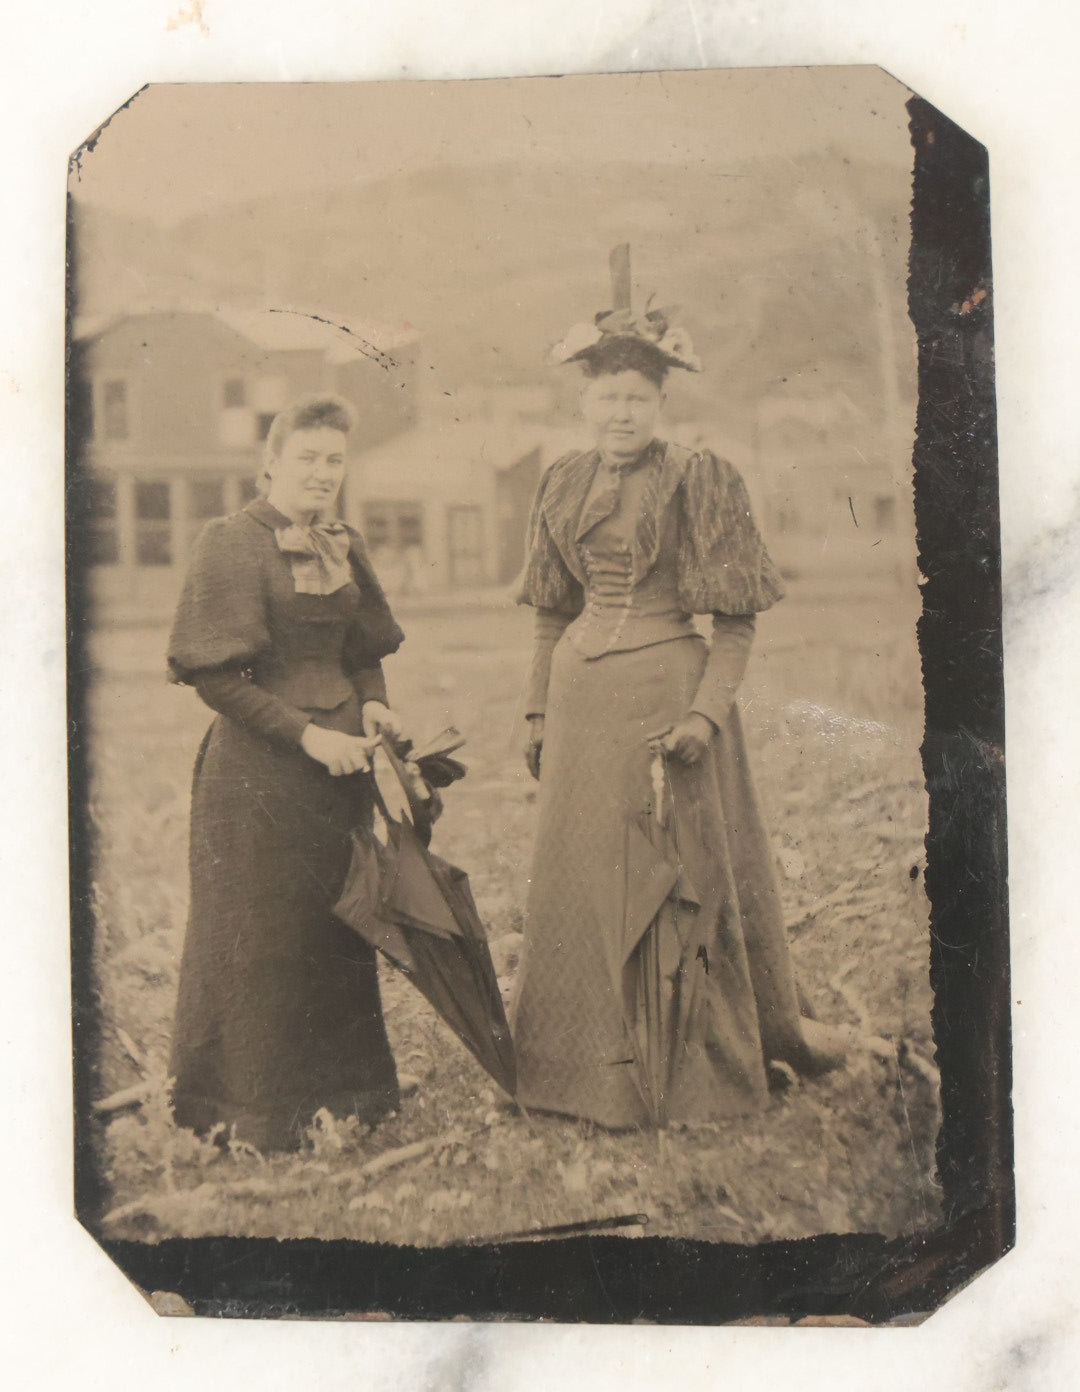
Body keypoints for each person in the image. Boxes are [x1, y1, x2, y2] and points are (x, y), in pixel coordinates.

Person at [512, 285, 844, 1129]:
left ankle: (691, 1073)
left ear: (661, 403)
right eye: (607, 397)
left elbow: (735, 623)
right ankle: (573, 1072)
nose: (620, 413)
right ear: (584, 402)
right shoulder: (561, 481)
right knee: (583, 877)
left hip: (669, 704)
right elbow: (551, 611)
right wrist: (536, 711)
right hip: (580, 708)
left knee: (676, 878)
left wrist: (703, 715)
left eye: (636, 398)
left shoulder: (701, 479)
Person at [167, 394, 407, 1152]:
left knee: (336, 921)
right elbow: (217, 679)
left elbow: (361, 651)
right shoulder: (230, 542)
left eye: (335, 459)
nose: (322, 472)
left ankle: (344, 1097)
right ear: (270, 463)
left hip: (340, 773)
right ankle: (253, 1113)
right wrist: (308, 737)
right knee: (261, 936)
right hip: (258, 776)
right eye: (307, 457)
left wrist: (374, 706)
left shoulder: (341, 542)